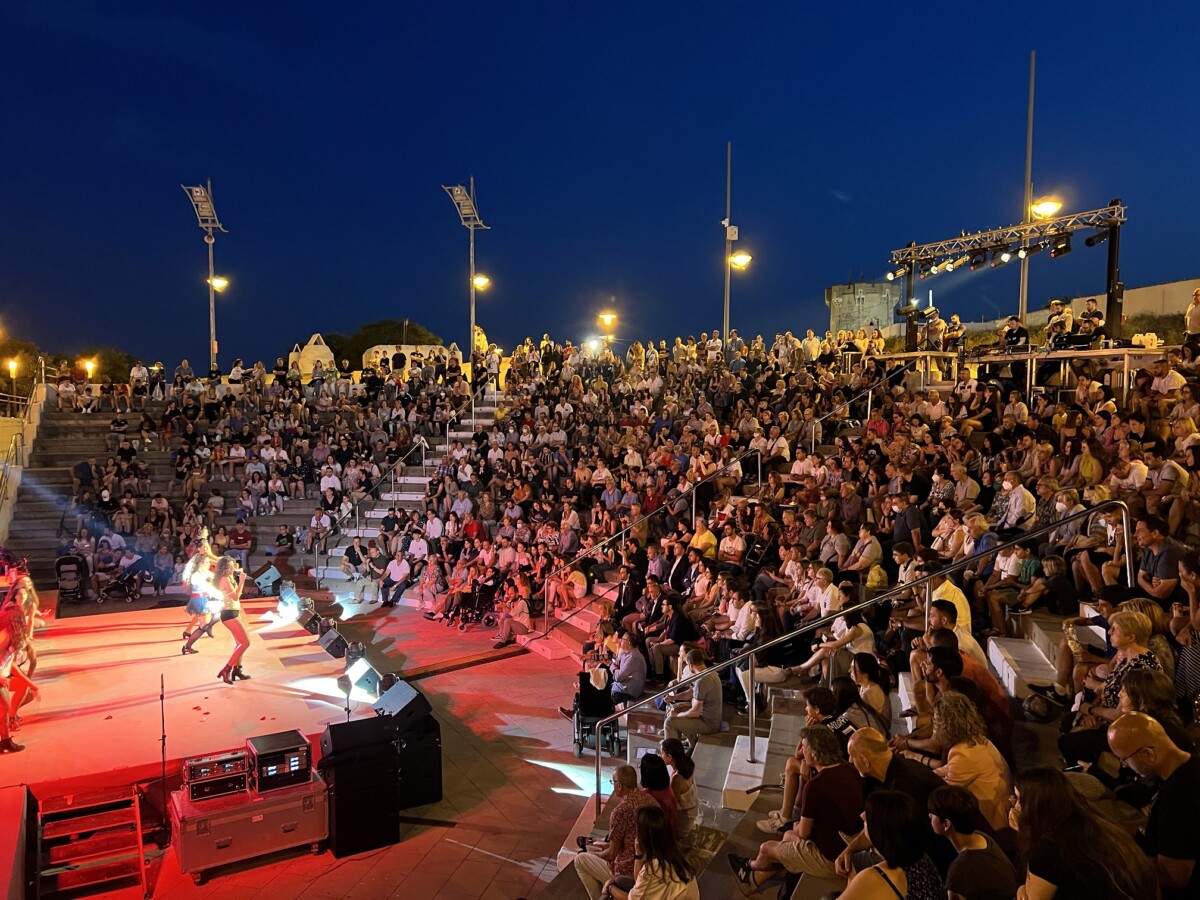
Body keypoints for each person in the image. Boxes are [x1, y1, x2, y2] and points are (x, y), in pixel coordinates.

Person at [729, 724, 864, 889]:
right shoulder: (850, 770)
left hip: (833, 858)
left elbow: (803, 833)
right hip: (852, 844)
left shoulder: (816, 786)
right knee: (787, 836)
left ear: (814, 753)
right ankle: (755, 880)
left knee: (766, 849)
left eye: (804, 747)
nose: (802, 751)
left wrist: (797, 825)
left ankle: (750, 867)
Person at [1009, 765, 1157, 900]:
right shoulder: (1092, 823)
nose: (1015, 807)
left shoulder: (1048, 847)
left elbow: (1031, 896)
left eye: (1019, 799)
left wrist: (1024, 833)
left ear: (1036, 805)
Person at [1108, 712, 1200, 897]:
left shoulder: (1178, 796)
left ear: (1148, 754)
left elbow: (1174, 877)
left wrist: (1122, 863)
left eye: (1125, 761)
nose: (1126, 767)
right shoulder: (1191, 763)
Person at [835, 791, 944, 900]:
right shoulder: (921, 856)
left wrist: (853, 886)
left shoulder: (874, 877)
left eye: (870, 816)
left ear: (881, 833)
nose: (862, 815)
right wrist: (849, 850)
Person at [573, 764, 659, 900]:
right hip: (652, 864)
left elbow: (612, 854)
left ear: (619, 786)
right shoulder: (649, 800)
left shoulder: (620, 811)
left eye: (613, 782)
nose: (613, 785)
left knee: (580, 859)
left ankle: (600, 896)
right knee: (599, 845)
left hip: (628, 871)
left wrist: (595, 855)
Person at [927, 785, 1017, 900]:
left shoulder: (958, 872)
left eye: (933, 813)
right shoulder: (982, 837)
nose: (929, 815)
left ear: (946, 824)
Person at [601, 805, 699, 900]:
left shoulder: (655, 868)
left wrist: (610, 887)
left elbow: (633, 899)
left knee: (611, 891)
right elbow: (638, 883)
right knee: (620, 881)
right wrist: (638, 853)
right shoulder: (675, 855)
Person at [662, 649, 723, 747]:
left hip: (708, 724)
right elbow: (692, 692)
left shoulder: (701, 680)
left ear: (690, 665)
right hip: (710, 717)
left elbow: (695, 712)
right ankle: (689, 742)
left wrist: (676, 715)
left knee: (670, 723)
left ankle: (672, 753)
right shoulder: (710, 672)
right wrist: (674, 697)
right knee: (677, 708)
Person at [210, 557, 252, 684]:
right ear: (224, 569)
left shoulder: (228, 577)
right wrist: (242, 581)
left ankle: (237, 670)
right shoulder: (224, 579)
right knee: (245, 643)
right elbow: (235, 597)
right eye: (230, 567)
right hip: (229, 614)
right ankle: (226, 669)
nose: (232, 569)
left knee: (239, 642)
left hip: (233, 612)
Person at [659, 738, 698, 845]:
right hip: (691, 812)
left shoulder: (676, 778)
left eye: (661, 753)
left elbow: (672, 806)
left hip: (683, 823)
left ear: (669, 757)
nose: (660, 755)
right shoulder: (687, 763)